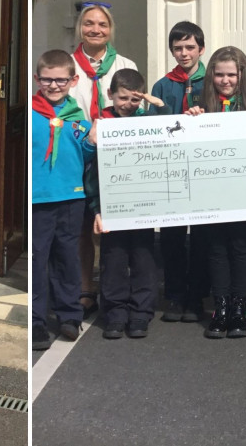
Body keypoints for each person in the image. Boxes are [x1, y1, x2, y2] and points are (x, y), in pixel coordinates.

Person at [68, 2, 137, 319]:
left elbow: (133, 107)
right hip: (79, 153)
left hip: (117, 157)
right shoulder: (68, 66)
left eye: (102, 25)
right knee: (84, 226)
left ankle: (118, 289)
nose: (95, 29)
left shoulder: (125, 63)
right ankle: (85, 288)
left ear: (111, 30)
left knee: (118, 226)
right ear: (80, 27)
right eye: (89, 23)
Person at [197, 46, 246, 339]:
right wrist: (190, 121)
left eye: (231, 75)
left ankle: (239, 306)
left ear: (243, 75)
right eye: (219, 74)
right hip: (210, 190)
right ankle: (221, 306)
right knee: (215, 247)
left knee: (239, 246)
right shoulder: (200, 105)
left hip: (243, 191)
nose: (225, 80)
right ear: (211, 75)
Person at [31, 50, 97, 351]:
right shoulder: (32, 115)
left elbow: (84, 157)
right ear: (37, 79)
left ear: (74, 80)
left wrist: (92, 144)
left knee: (67, 258)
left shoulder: (77, 118)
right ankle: (37, 321)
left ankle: (70, 314)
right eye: (47, 79)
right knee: (37, 260)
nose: (54, 85)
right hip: (38, 199)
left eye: (60, 80)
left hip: (72, 198)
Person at [88, 69, 159, 339]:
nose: (128, 104)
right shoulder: (99, 123)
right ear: (110, 95)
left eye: (134, 100)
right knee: (113, 260)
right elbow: (92, 173)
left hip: (143, 207)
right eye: (122, 98)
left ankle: (141, 314)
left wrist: (157, 106)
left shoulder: (148, 121)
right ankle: (115, 313)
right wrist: (96, 209)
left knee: (143, 260)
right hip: (111, 209)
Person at [150, 21, 209, 322]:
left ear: (201, 48)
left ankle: (196, 297)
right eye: (177, 48)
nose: (183, 53)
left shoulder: (212, 81)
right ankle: (173, 295)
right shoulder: (162, 85)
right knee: (172, 236)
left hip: (202, 169)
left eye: (189, 47)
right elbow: (151, 127)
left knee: (201, 235)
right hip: (171, 170)